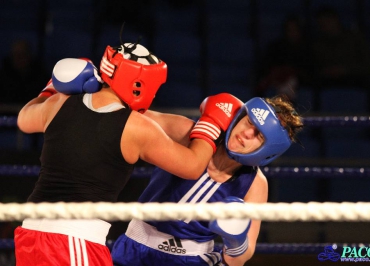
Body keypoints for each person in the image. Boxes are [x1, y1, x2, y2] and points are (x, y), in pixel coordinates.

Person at [14, 40, 243, 266]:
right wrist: (212, 123)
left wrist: (51, 88)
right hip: (73, 239)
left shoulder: (60, 102)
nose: (154, 95)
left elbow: (24, 119)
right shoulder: (135, 127)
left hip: (31, 231)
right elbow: (192, 166)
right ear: (138, 85)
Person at [111, 95, 304, 266]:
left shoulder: (255, 184)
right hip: (135, 247)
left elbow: (239, 260)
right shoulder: (190, 133)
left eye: (259, 135)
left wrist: (235, 241)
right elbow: (132, 118)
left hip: (194, 260)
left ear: (268, 150)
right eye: (249, 123)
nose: (246, 133)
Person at [311, 6, 370, 89]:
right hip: (328, 83)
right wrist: (327, 71)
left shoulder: (355, 38)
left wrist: (345, 70)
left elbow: (366, 65)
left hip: (353, 82)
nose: (324, 27)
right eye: (321, 24)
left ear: (335, 20)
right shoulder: (318, 44)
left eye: (327, 22)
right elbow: (315, 68)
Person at [255, 14, 312, 101]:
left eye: (295, 30)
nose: (292, 33)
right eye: (290, 30)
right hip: (276, 82)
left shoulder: (307, 49)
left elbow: (309, 72)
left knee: (292, 81)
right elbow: (267, 68)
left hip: (300, 83)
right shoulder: (276, 47)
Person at [0, 39, 47, 105]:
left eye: (22, 54)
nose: (19, 58)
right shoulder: (3, 77)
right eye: (16, 54)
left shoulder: (40, 77)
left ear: (29, 55)